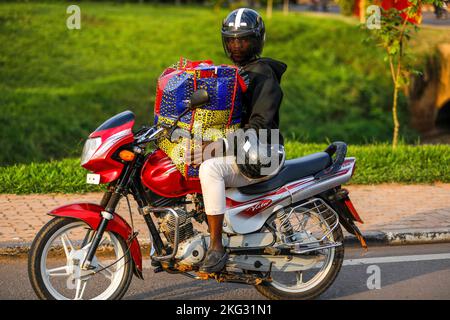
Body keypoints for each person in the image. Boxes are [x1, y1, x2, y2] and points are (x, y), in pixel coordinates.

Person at [189, 8, 287, 274]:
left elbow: (259, 126)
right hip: (243, 153)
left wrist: (213, 149)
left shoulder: (264, 75)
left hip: (262, 154)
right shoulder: (234, 73)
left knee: (209, 168)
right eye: (231, 39)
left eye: (243, 39)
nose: (236, 45)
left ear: (256, 40)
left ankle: (216, 247)